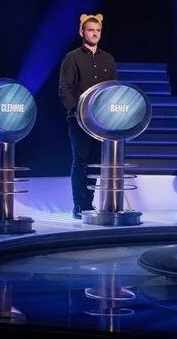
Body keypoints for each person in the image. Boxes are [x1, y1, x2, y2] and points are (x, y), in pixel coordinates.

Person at [59, 14, 119, 219]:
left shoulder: (108, 58)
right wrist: (76, 111)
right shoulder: (72, 57)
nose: (94, 34)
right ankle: (79, 205)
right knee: (81, 161)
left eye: (98, 30)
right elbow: (65, 89)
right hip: (78, 120)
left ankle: (88, 203)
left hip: (101, 122)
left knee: (95, 161)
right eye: (90, 30)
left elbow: (115, 88)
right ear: (81, 32)